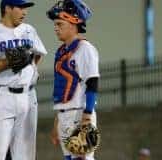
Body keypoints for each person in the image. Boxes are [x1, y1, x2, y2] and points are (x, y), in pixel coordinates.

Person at [0, 0, 47, 159]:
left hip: (28, 96)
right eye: (20, 7)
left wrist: (32, 68)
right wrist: (6, 62)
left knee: (26, 154)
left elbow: (39, 52)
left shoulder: (29, 30)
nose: (25, 12)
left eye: (26, 8)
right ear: (7, 8)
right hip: (3, 97)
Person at [47, 0, 100, 159]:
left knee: (82, 158)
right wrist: (57, 122)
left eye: (59, 23)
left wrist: (87, 115)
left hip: (79, 114)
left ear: (73, 23)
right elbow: (63, 91)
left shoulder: (85, 49)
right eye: (55, 24)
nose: (56, 28)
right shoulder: (61, 51)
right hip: (64, 115)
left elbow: (92, 83)